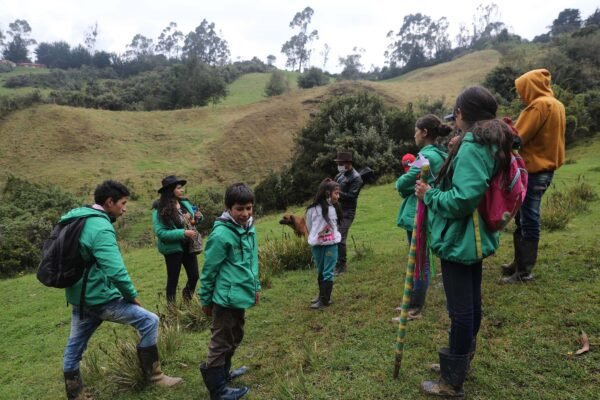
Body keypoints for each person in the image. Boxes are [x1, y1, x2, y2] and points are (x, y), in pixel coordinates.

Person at [415, 87, 514, 397]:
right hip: (475, 236)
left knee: (461, 310)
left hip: (461, 238)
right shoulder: (488, 141)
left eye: (455, 114)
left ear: (461, 114)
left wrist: (428, 194)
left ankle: (451, 379)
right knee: (470, 302)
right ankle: (460, 358)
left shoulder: (473, 145)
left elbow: (462, 200)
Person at [62, 180, 181, 400]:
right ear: (109, 202)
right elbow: (116, 270)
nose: (125, 208)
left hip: (79, 297)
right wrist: (131, 297)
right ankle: (154, 377)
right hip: (99, 298)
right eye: (123, 203)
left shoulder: (78, 217)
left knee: (74, 347)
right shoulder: (100, 227)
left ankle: (76, 394)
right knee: (150, 320)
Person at [501, 68, 566, 283]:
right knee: (523, 217)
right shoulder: (556, 105)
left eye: (522, 90)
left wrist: (506, 130)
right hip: (546, 170)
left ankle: (524, 271)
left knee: (528, 219)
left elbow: (518, 138)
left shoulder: (538, 105)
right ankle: (518, 263)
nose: (521, 95)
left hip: (533, 171)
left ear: (531, 87)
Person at [199, 183, 260, 400]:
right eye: (240, 209)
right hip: (224, 299)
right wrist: (205, 300)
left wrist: (256, 287)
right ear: (228, 208)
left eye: (249, 208)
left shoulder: (249, 227)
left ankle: (224, 375)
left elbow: (253, 260)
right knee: (221, 341)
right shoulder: (221, 234)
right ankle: (218, 390)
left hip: (241, 295)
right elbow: (209, 270)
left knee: (236, 335)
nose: (245, 213)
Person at [395, 116, 450, 319]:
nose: (414, 134)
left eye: (416, 130)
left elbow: (405, 182)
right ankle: (411, 303)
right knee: (418, 259)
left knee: (420, 261)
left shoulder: (425, 156)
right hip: (428, 209)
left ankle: (415, 307)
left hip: (421, 212)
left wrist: (399, 184)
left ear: (425, 132)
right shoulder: (439, 153)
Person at [152, 175, 203, 304]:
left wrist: (198, 217)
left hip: (188, 246)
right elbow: (161, 232)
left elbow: (192, 220)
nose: (182, 190)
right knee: (173, 279)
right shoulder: (159, 208)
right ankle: (172, 309)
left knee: (194, 276)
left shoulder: (184, 203)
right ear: (170, 190)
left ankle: (187, 300)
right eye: (179, 188)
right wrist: (183, 233)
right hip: (173, 248)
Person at [306, 178, 342, 310]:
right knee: (321, 270)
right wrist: (316, 237)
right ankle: (322, 295)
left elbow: (336, 226)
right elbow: (309, 226)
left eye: (339, 193)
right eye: (336, 193)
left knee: (328, 271)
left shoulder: (335, 208)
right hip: (317, 246)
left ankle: (325, 300)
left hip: (331, 245)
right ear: (327, 193)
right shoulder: (312, 209)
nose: (338, 196)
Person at [333, 150, 363, 275]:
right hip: (336, 210)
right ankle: (335, 263)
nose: (338, 165)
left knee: (340, 237)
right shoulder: (340, 175)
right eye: (338, 162)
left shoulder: (356, 178)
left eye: (340, 163)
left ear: (347, 163)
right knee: (333, 237)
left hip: (347, 212)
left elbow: (352, 196)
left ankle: (342, 266)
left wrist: (337, 194)